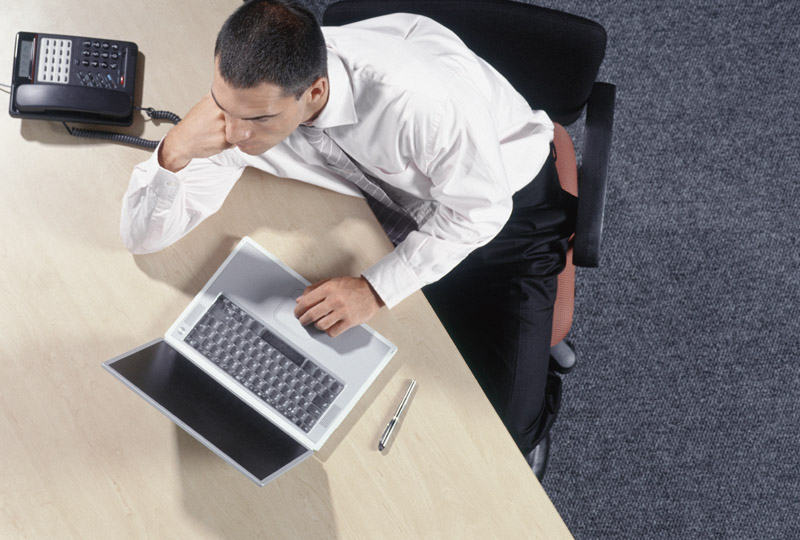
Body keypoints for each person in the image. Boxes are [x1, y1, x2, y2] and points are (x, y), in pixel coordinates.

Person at [120, 0, 575, 480]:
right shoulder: (251, 101)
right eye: (222, 106)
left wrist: (375, 288)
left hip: (503, 204)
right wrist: (172, 154)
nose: (232, 133)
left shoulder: (419, 105)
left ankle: (537, 387)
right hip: (389, 207)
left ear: (313, 91)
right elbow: (143, 238)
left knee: (507, 428)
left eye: (255, 121)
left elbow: (483, 213)